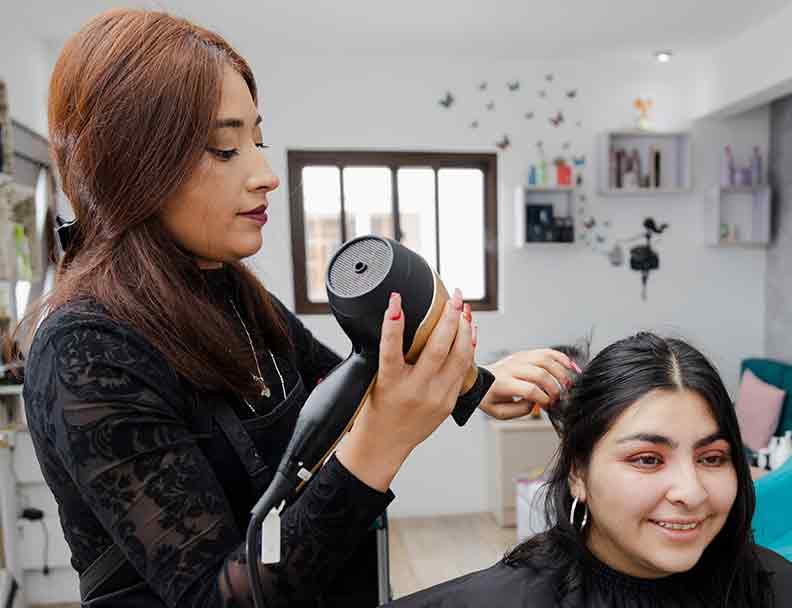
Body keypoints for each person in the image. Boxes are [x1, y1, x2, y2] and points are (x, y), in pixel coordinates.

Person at [6, 9, 578, 608]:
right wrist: (380, 444)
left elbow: (347, 381)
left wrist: (474, 384)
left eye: (258, 140)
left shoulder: (229, 295)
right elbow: (217, 597)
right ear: (131, 163)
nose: (265, 174)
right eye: (225, 149)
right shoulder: (86, 351)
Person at [390, 332, 792, 607]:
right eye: (648, 459)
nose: (691, 492)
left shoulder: (775, 586)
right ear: (577, 472)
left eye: (712, 458)